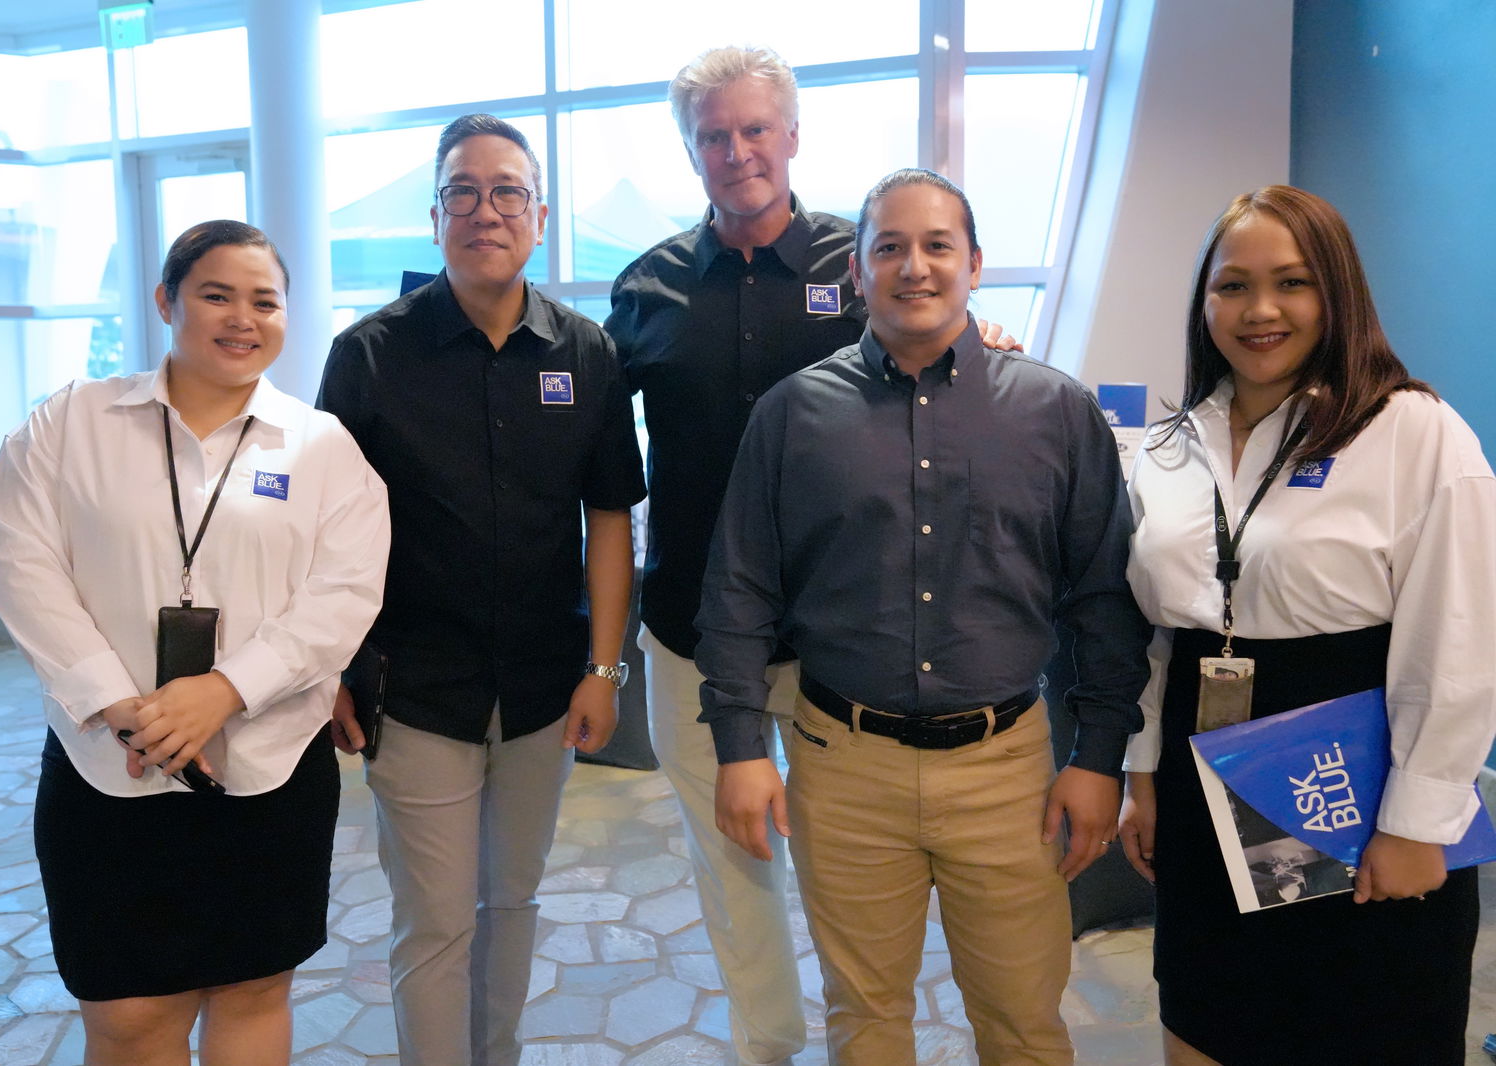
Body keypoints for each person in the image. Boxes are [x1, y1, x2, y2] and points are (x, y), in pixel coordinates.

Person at [606, 48, 1014, 1064]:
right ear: (689, 147)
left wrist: (984, 341)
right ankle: (766, 1044)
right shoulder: (646, 287)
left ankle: (860, 1037)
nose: (736, 151)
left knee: (847, 872)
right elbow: (599, 467)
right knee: (730, 863)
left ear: (790, 135)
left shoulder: (862, 260)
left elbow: (938, 352)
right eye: (712, 133)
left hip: (848, 637)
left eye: (754, 129)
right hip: (695, 632)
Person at [696, 168, 1150, 1066]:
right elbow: (739, 590)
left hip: (1008, 770)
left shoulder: (1055, 411)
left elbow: (1104, 598)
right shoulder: (794, 415)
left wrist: (1100, 758)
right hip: (842, 765)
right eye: (889, 247)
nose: (915, 266)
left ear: (975, 264)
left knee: (1024, 1024)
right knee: (864, 1022)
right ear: (858, 272)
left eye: (938, 245)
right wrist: (741, 747)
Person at [0, 220, 391, 1066]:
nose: (243, 318)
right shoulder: (71, 423)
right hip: (108, 763)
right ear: (167, 301)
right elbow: (24, 566)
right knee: (129, 1014)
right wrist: (120, 703)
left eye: (265, 301)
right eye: (217, 294)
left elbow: (343, 597)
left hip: (269, 763)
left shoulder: (323, 448)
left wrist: (224, 690)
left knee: (251, 993)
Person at [1116, 184, 1496, 1066]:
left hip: (1353, 784)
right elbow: (1149, 632)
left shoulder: (1415, 433)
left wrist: (1417, 822)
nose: (1260, 311)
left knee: (1364, 1025)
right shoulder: (1173, 444)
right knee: (1207, 1019)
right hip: (1204, 769)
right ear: (1203, 300)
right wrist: (1143, 772)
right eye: (1232, 285)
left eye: (1292, 282)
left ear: (1339, 293)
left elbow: (1460, 644)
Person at [317, 114, 645, 1066]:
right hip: (416, 687)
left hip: (546, 687)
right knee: (435, 920)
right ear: (434, 216)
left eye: (507, 192)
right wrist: (335, 666)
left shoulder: (585, 354)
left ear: (538, 217)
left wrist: (604, 670)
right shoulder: (370, 355)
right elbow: (327, 534)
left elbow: (611, 519)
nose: (485, 210)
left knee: (512, 902)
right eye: (463, 190)